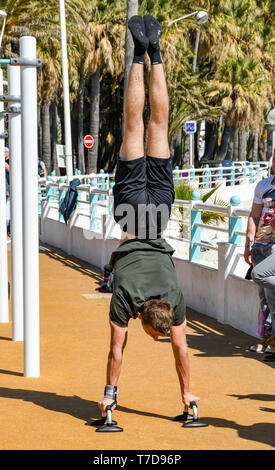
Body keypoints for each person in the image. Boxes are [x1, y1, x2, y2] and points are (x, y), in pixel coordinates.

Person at [98, 15, 199, 418]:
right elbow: (115, 351)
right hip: (129, 211)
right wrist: (110, 394)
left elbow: (181, 350)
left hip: (158, 211)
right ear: (147, 318)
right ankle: (141, 53)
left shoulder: (175, 298)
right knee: (133, 128)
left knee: (156, 126)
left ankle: (153, 51)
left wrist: (189, 391)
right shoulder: (125, 300)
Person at [244, 151, 275, 354]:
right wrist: (248, 244)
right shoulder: (264, 185)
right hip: (260, 245)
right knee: (263, 296)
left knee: (272, 296)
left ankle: (273, 338)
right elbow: (254, 216)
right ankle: (266, 336)